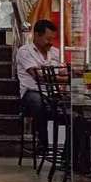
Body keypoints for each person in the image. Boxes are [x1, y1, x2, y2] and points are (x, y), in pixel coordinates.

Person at [16, 19, 61, 152]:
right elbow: (37, 75)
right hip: (31, 93)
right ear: (36, 35)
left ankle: (70, 153)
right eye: (48, 39)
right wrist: (58, 77)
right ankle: (42, 142)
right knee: (37, 101)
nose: (50, 42)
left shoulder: (55, 53)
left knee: (73, 109)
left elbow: (65, 72)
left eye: (52, 39)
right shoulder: (25, 51)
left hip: (53, 93)